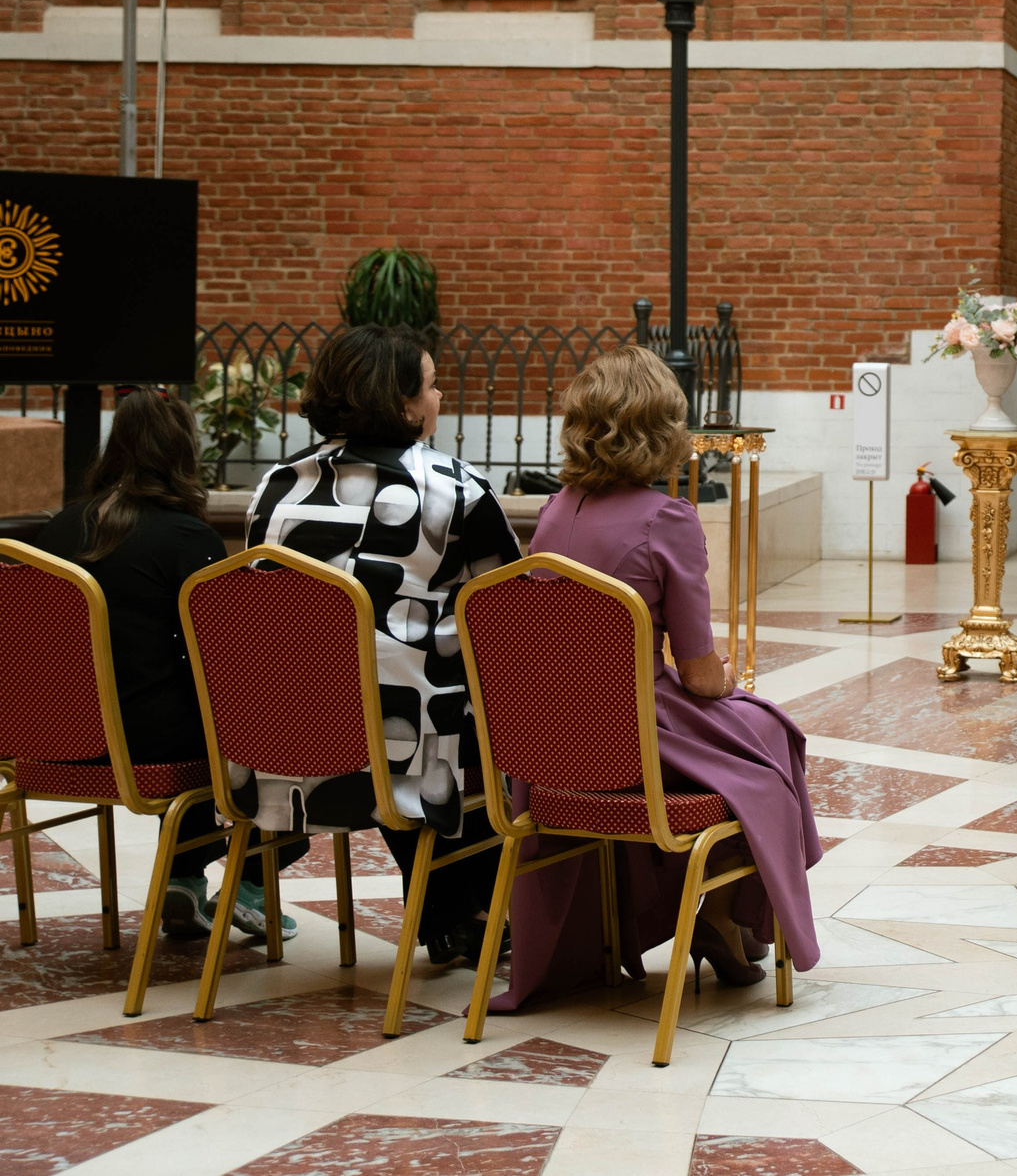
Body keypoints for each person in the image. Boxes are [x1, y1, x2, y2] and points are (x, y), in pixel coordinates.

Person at [491, 346, 824, 1006]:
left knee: (758, 737)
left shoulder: (557, 510)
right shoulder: (665, 517)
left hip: (547, 746)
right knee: (772, 742)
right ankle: (726, 917)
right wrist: (727, 677)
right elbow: (701, 676)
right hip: (632, 738)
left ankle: (702, 922)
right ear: (663, 429)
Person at [247, 324, 522, 961]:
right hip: (408, 747)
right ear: (401, 403)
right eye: (430, 385)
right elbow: (508, 613)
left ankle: (456, 913)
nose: (440, 397)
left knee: (395, 685)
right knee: (474, 713)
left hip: (288, 736)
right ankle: (469, 912)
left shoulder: (277, 488)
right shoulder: (454, 489)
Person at [33, 390, 308, 941]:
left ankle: (184, 878)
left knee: (179, 708)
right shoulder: (187, 538)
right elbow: (231, 655)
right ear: (183, 452)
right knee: (285, 736)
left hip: (52, 739)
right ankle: (250, 884)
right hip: (147, 747)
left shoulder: (57, 531)